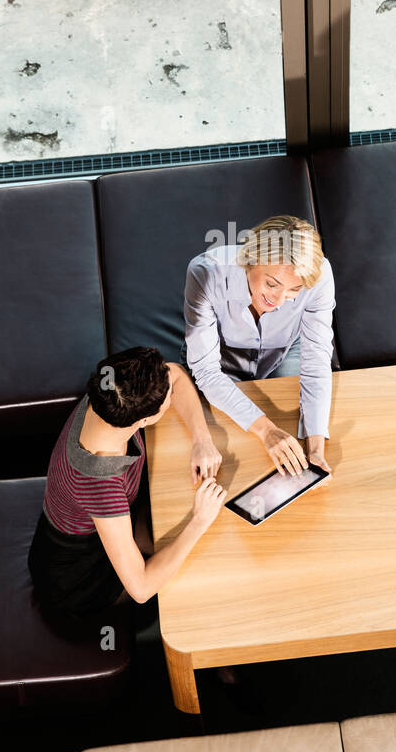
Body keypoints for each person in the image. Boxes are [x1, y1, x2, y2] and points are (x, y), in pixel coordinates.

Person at [28, 347, 224, 631]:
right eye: (168, 398)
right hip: (78, 573)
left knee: (189, 543)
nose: (173, 391)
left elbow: (176, 376)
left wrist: (201, 440)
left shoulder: (109, 393)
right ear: (144, 420)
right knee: (191, 573)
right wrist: (199, 520)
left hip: (116, 523)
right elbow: (141, 588)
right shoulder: (99, 482)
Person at [183, 215, 335, 476]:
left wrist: (317, 449)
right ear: (249, 259)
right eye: (271, 283)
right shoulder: (206, 272)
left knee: (292, 449)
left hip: (284, 351)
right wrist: (267, 430)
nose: (278, 300)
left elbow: (317, 362)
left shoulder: (320, 275)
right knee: (235, 451)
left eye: (293, 291)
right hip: (222, 356)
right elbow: (207, 371)